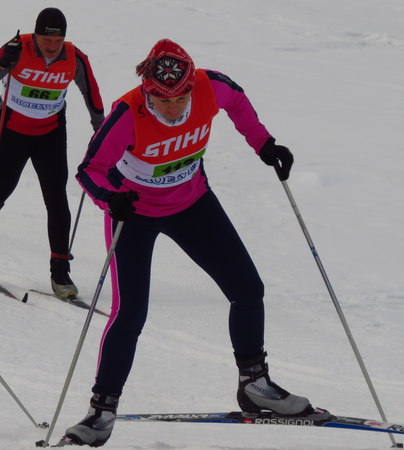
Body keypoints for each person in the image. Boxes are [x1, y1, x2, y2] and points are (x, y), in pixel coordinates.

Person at [62, 39, 322, 446]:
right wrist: (109, 198)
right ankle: (101, 410)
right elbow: (88, 170)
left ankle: (254, 384)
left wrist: (263, 143)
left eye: (181, 98)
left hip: (192, 202)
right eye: (163, 100)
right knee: (129, 313)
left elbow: (237, 101)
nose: (174, 108)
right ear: (148, 91)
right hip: (135, 212)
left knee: (247, 289)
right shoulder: (127, 112)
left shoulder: (209, 86)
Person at [0, 7, 105, 299]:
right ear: (35, 36)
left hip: (50, 134)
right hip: (11, 130)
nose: (53, 47)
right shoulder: (17, 48)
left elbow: (91, 92)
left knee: (56, 199)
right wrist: (3, 63)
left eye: (58, 41)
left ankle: (60, 270)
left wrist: (101, 129)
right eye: (47, 40)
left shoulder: (75, 57)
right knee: (0, 191)